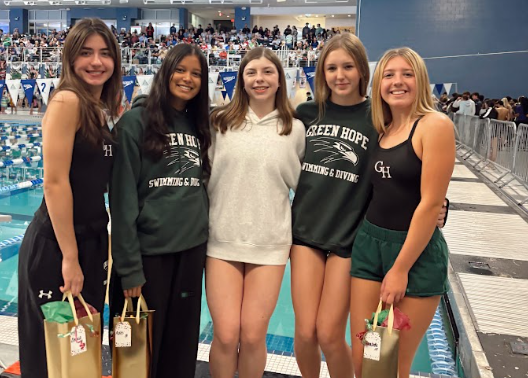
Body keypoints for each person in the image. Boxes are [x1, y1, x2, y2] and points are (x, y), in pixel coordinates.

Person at [290, 34, 447, 378]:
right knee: (306, 333)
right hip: (308, 234)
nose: (340, 75)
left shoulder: (379, 119)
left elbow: (408, 168)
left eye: (348, 66)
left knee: (334, 336)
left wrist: (438, 202)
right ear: (321, 73)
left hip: (352, 238)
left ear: (362, 70)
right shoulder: (304, 113)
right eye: (331, 68)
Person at [17, 18, 121, 378]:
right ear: (70, 59)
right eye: (86, 53)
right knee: (51, 353)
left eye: (105, 54)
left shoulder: (98, 108)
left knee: (80, 348)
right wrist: (70, 257)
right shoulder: (67, 100)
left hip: (90, 241)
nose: (96, 62)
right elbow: (55, 183)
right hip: (59, 247)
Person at [349, 47, 455, 378]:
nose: (398, 81)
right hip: (369, 246)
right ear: (379, 83)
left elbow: (430, 203)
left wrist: (400, 269)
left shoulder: (434, 125)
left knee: (391, 366)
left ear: (420, 80)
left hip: (414, 254)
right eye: (390, 75)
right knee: (364, 358)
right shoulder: (380, 129)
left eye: (407, 74)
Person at [110, 43, 211, 378]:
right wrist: (129, 270)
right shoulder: (134, 124)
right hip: (149, 256)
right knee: (141, 356)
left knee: (181, 349)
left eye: (196, 73)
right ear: (165, 72)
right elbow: (122, 201)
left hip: (191, 251)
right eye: (181, 70)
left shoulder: (198, 124)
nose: (188, 78)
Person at [206, 47, 306, 378]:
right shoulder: (219, 122)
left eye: (267, 72)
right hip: (221, 240)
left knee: (251, 336)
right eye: (251, 72)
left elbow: (310, 187)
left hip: (270, 244)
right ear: (241, 80)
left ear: (280, 80)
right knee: (225, 334)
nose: (259, 79)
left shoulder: (294, 129)